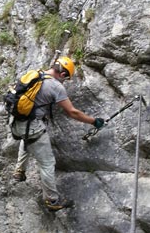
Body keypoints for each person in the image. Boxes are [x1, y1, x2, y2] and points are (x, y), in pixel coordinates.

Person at [11, 56, 105, 211]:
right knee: (47, 163)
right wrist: (94, 121)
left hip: (16, 122)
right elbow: (72, 112)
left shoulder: (36, 74)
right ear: (62, 75)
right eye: (66, 79)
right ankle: (52, 201)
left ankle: (19, 170)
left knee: (27, 138)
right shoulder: (56, 87)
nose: (65, 82)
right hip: (31, 127)